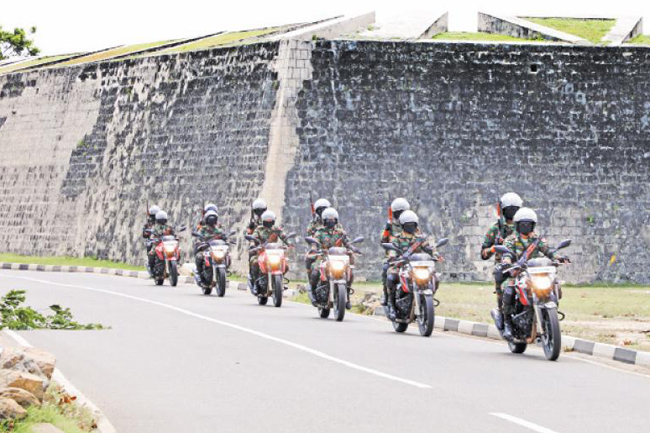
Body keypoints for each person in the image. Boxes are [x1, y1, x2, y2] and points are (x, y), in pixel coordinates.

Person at [499, 208, 567, 340]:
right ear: (517, 225)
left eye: (528, 224)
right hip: (518, 273)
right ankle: (507, 324)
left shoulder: (538, 240)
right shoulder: (510, 240)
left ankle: (550, 320)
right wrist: (507, 261)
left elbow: (549, 252)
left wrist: (559, 258)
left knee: (555, 285)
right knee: (508, 289)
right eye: (523, 224)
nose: (526, 226)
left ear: (533, 225)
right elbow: (506, 253)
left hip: (537, 274)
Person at [385, 210, 438, 320]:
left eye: (413, 225)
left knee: (435, 278)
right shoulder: (397, 239)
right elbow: (392, 251)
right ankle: (392, 307)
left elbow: (429, 249)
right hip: (402, 266)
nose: (411, 227)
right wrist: (393, 257)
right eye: (408, 225)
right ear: (403, 226)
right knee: (391, 277)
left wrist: (435, 254)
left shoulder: (420, 238)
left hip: (418, 267)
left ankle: (427, 300)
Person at [481, 192, 522, 330]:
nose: (512, 212)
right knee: (504, 289)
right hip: (504, 266)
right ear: (503, 210)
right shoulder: (496, 229)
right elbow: (483, 253)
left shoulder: (524, 226)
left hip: (523, 265)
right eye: (509, 209)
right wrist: (492, 249)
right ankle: (505, 320)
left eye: (515, 209)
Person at [306, 207, 353, 309]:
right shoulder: (320, 232)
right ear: (324, 220)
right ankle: (313, 293)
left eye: (332, 220)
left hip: (338, 258)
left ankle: (347, 295)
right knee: (315, 273)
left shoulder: (340, 232)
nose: (331, 222)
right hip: (323, 257)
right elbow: (315, 242)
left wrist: (351, 248)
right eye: (328, 220)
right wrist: (314, 248)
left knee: (350, 273)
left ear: (336, 220)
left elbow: (347, 242)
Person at [249, 210, 292, 291]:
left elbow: (284, 237)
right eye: (266, 222)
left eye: (270, 221)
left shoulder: (276, 229)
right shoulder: (259, 229)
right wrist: (252, 244)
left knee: (285, 266)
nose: (268, 223)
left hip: (274, 252)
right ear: (263, 221)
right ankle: (255, 283)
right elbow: (253, 238)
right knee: (254, 262)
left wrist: (289, 244)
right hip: (261, 252)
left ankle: (279, 280)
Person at [380, 198, 410, 306]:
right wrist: (387, 230)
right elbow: (383, 241)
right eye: (398, 213)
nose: (400, 215)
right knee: (386, 269)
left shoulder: (411, 224)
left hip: (409, 255)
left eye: (402, 212)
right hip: (394, 255)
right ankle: (386, 295)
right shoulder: (390, 225)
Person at [194, 210, 228, 284]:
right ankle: (200, 275)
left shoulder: (218, 229)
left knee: (227, 255)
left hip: (217, 249)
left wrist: (227, 239)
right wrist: (199, 241)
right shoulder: (203, 229)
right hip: (207, 249)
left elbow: (224, 236)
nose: (212, 220)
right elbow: (199, 236)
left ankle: (226, 271)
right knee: (199, 256)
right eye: (210, 218)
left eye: (213, 218)